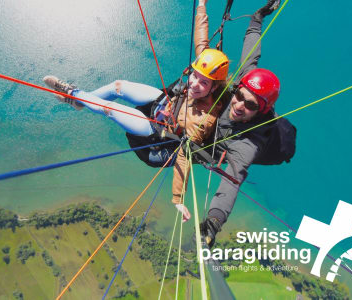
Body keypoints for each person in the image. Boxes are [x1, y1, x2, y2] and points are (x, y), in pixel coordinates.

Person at [43, 0, 229, 223]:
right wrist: (202, 5)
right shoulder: (204, 71)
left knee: (109, 109)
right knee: (118, 86)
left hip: (154, 130)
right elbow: (201, 37)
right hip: (165, 102)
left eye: (203, 83)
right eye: (195, 75)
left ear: (214, 88)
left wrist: (178, 198)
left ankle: (72, 92)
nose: (195, 83)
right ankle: (79, 102)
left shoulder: (203, 120)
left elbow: (183, 157)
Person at [198, 0, 295, 248]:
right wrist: (257, 18)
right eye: (240, 96)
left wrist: (214, 221)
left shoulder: (249, 144)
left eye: (250, 105)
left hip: (222, 147)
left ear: (261, 110)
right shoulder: (245, 83)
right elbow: (252, 52)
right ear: (240, 87)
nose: (239, 104)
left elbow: (232, 179)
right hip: (217, 132)